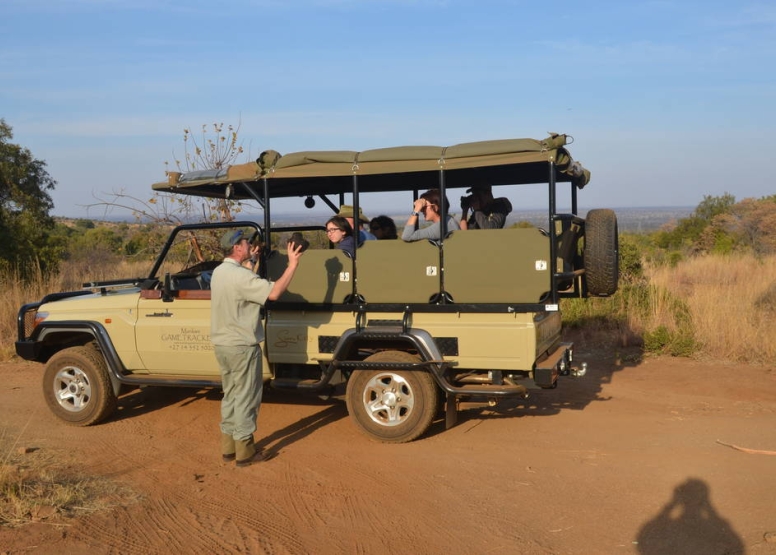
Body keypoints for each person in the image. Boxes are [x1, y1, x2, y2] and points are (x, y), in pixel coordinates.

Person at [210, 228, 305, 467]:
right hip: (242, 346)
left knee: (231, 395)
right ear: (236, 248)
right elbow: (273, 293)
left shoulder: (220, 272)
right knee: (246, 398)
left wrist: (253, 260)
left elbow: (244, 284)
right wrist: (292, 265)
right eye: (245, 243)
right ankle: (245, 451)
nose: (249, 245)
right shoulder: (240, 276)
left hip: (223, 345)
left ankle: (229, 447)